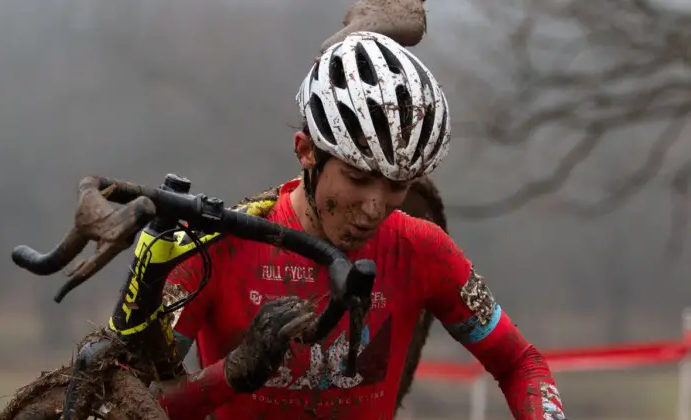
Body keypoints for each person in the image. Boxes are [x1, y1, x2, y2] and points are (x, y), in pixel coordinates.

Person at [154, 31, 568, 420]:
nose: (374, 207)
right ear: (306, 152)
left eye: (397, 186)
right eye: (356, 177)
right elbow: (135, 403)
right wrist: (233, 372)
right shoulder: (215, 249)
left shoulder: (423, 250)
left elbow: (520, 364)